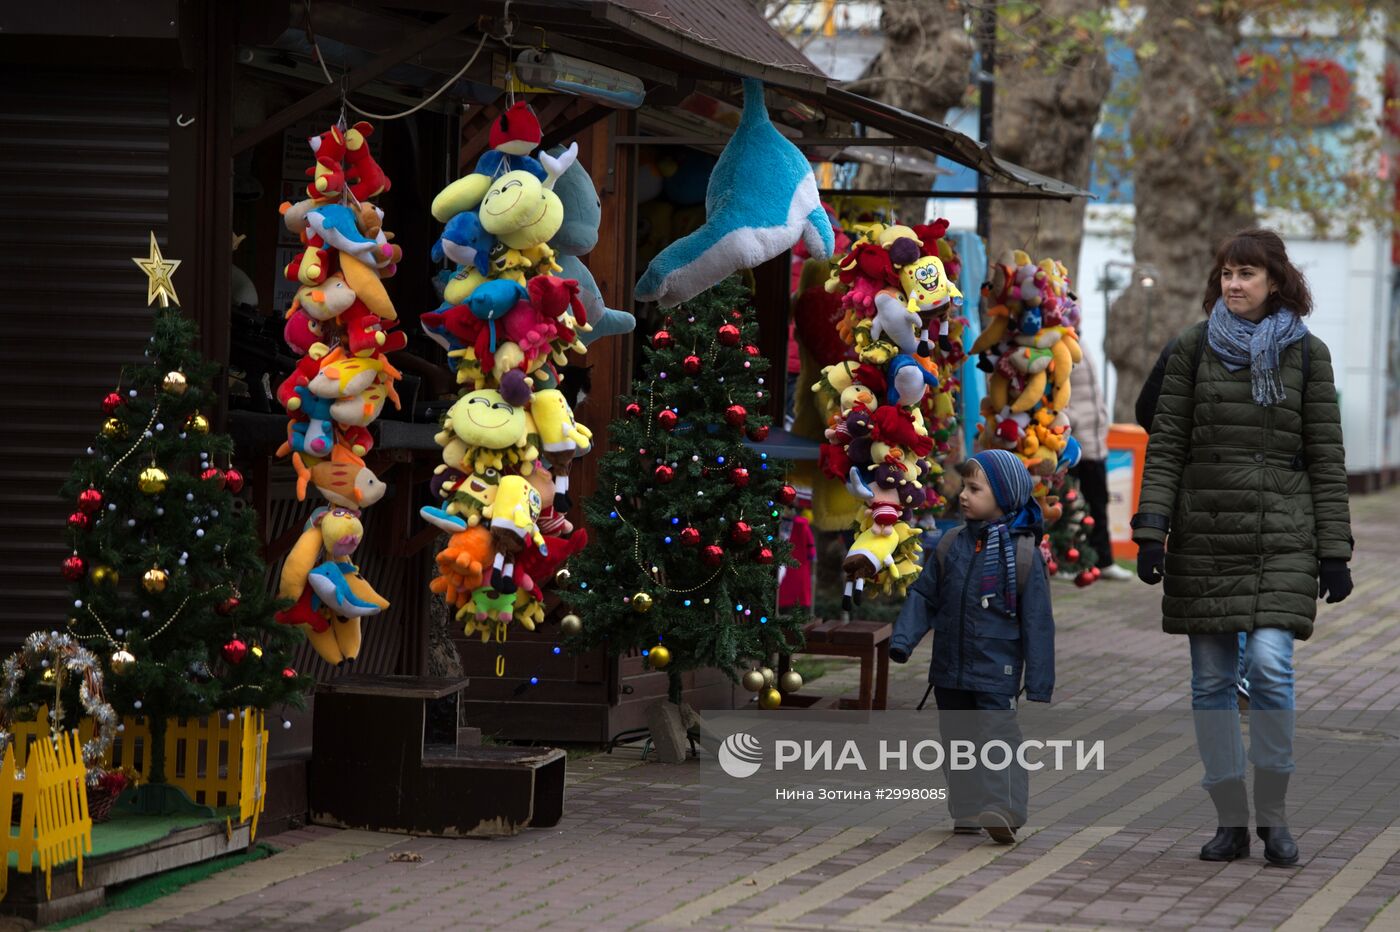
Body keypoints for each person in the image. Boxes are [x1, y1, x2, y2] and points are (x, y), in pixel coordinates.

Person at [1130, 229, 1353, 866]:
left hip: (1282, 535)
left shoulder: (1308, 354)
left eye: (1247, 273)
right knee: (1212, 682)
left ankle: (1273, 815)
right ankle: (1230, 818)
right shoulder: (1192, 347)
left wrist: (1334, 551)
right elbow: (1167, 445)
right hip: (1204, 535)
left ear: (1275, 281)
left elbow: (1326, 458)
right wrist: (1151, 531)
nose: (1234, 284)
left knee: (1272, 665)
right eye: (1228, 273)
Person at [890, 449, 1055, 844]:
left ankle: (1005, 810)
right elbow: (924, 596)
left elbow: (1038, 621)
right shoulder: (952, 543)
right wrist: (903, 639)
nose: (963, 495)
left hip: (997, 667)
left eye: (975, 489)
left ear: (1004, 496)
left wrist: (1039, 681)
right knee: (957, 741)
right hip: (950, 665)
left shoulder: (1023, 554)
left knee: (998, 737)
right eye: (964, 486)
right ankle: (966, 809)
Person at [1066, 343, 1133, 580]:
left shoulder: (1080, 344)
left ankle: (1103, 560)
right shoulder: (1059, 344)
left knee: (1098, 503)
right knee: (1066, 506)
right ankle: (1062, 560)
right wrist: (1071, 420)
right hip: (1072, 442)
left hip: (1094, 442)